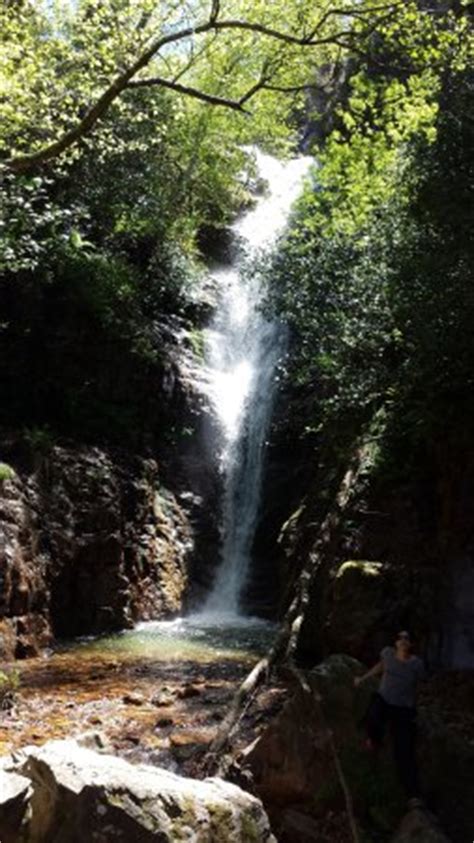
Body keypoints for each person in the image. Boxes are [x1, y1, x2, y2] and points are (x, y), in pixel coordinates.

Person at [354, 630, 426, 808]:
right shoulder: (387, 654)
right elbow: (380, 666)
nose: (402, 641)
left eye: (406, 639)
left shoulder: (416, 664)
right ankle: (374, 740)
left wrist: (417, 706)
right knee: (373, 714)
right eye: (400, 638)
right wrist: (362, 679)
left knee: (404, 750)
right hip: (384, 700)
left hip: (403, 709)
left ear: (411, 644)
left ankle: (413, 795)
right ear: (395, 642)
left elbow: (421, 684)